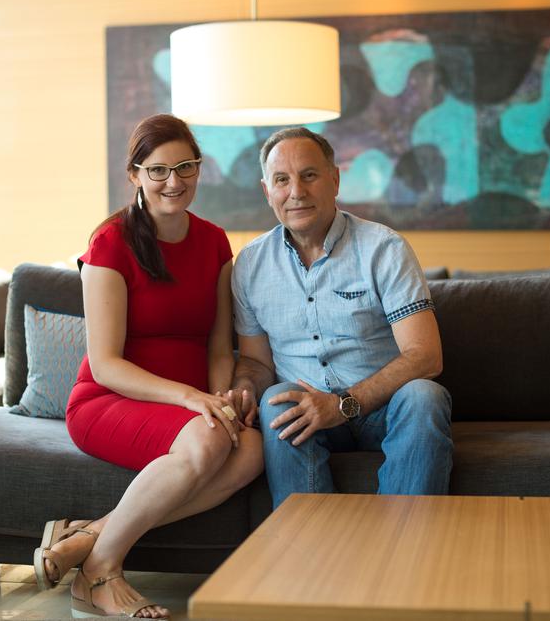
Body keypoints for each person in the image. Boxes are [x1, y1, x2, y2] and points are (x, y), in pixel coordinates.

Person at [34, 114, 263, 619]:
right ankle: (100, 574)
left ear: (199, 168)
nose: (173, 182)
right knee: (209, 439)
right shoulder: (110, 242)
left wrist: (220, 398)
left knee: (250, 450)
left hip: (189, 405)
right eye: (158, 170)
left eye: (185, 167)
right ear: (135, 174)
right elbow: (105, 364)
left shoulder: (214, 242)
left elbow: (218, 347)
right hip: (108, 400)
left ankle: (89, 536)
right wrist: (191, 398)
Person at [227, 127, 453, 509]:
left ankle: (405, 536)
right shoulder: (250, 264)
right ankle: (311, 538)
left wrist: (343, 404)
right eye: (282, 180)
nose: (296, 191)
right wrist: (244, 388)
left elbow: (426, 355)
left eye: (309, 175)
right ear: (267, 191)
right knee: (277, 401)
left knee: (424, 395)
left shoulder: (383, 248)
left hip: (384, 409)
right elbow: (255, 362)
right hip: (306, 416)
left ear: (334, 180)